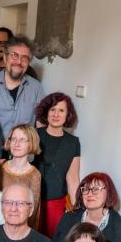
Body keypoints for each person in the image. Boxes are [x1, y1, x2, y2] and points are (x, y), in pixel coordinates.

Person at [0, 37, 45, 137]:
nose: (19, 61)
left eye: (24, 58)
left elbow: (41, 125)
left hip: (25, 146)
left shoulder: (37, 88)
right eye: (14, 55)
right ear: (5, 58)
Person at [33, 93, 82, 226]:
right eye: (52, 109)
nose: (56, 114)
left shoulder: (73, 142)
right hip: (31, 200)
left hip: (56, 204)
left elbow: (73, 178)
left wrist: (77, 210)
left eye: (61, 110)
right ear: (46, 112)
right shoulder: (34, 134)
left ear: (67, 115)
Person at [0, 124, 44, 233]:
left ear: (31, 144)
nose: (16, 144)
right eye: (13, 139)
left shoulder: (34, 175)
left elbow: (33, 211)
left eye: (22, 140)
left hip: (19, 228)